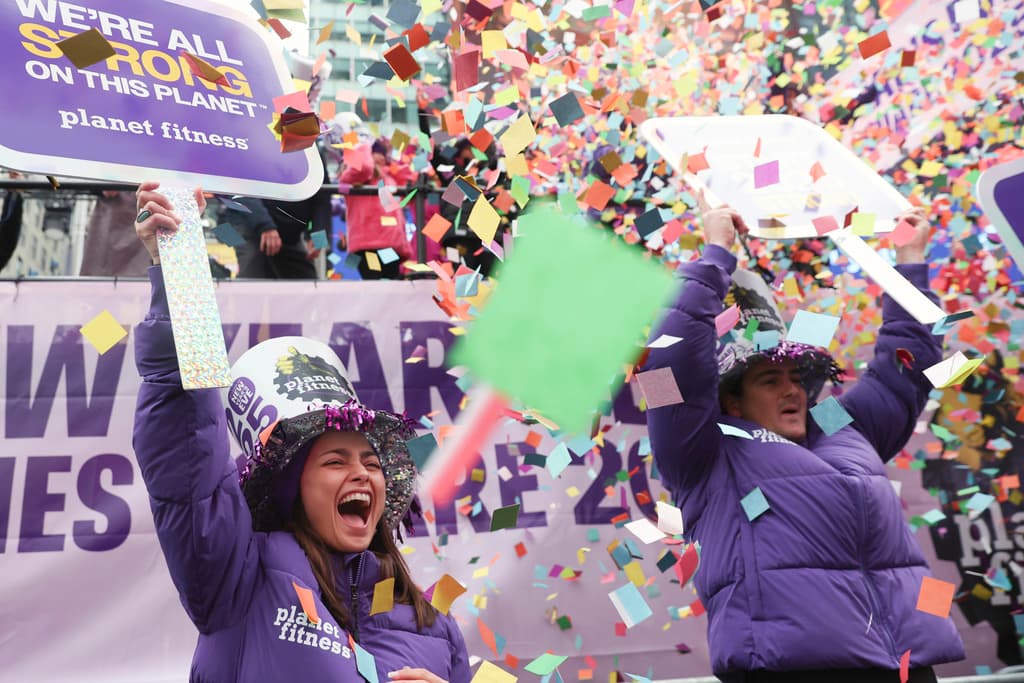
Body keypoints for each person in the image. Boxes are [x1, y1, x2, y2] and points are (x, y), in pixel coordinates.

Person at [131, 181, 470, 682]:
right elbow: (187, 454)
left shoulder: (435, 626)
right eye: (335, 461)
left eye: (372, 462)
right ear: (291, 486)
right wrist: (180, 267)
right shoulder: (239, 578)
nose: (363, 473)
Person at [642, 200, 965, 682]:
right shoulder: (704, 452)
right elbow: (667, 364)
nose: (792, 389)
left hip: (907, 666)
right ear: (731, 401)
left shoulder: (837, 424)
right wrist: (715, 256)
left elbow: (908, 366)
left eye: (797, 377)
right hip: (794, 670)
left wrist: (909, 262)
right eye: (769, 380)